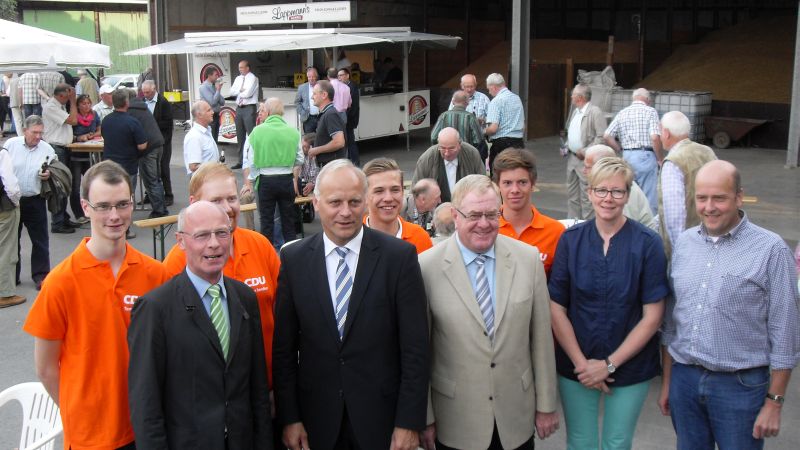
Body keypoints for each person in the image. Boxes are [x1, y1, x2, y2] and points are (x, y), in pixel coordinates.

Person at [273, 159, 429, 450]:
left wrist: (409, 423)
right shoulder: (294, 261)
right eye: (335, 202)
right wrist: (290, 418)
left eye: (355, 201)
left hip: (381, 421)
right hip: (316, 421)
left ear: (365, 201)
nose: (345, 212)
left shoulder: (399, 258)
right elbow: (284, 351)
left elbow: (415, 350)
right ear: (316, 203)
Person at [23, 160, 168, 450]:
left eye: (122, 204)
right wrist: (79, 410)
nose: (114, 215)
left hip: (147, 429)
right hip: (89, 436)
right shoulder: (61, 282)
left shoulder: (156, 274)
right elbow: (46, 368)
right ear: (85, 207)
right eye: (103, 206)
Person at [660, 160, 800, 450]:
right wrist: (668, 383)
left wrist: (775, 402)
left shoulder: (770, 249)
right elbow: (673, 322)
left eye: (719, 198)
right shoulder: (685, 243)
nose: (709, 207)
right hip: (684, 380)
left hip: (739, 388)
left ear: (739, 196)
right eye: (702, 198)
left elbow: (785, 330)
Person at [418, 174, 559, 450]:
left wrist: (546, 405)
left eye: (491, 214)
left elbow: (541, 340)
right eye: (473, 215)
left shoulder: (528, 259)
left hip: (515, 416)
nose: (484, 224)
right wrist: (425, 417)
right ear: (454, 215)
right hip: (455, 419)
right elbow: (420, 350)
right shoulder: (425, 267)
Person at [129, 201, 273, 449]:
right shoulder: (155, 308)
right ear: (181, 241)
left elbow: (257, 387)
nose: (214, 243)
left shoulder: (245, 298)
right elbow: (146, 403)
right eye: (202, 235)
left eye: (221, 233)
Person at [548, 157, 668, 450]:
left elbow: (653, 316)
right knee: (580, 441)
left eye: (617, 191)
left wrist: (609, 365)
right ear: (589, 193)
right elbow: (556, 307)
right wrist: (582, 364)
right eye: (601, 190)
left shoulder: (648, 244)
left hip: (630, 365)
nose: (608, 199)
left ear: (628, 195)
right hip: (577, 363)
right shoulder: (571, 241)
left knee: (617, 442)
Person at [161, 162, 281, 392]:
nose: (227, 208)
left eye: (232, 198)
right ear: (194, 203)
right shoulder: (177, 262)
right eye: (216, 201)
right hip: (209, 402)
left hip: (267, 390)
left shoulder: (260, 246)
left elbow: (284, 320)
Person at [493, 148, 565, 276]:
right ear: (498, 185)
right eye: (507, 183)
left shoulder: (556, 232)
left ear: (533, 184)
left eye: (522, 182)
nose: (515, 190)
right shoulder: (486, 228)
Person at [657, 110, 717, 260]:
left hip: (687, 249)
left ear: (666, 133)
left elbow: (674, 215)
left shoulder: (673, 162)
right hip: (711, 238)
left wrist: (679, 253)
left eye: (660, 130)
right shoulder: (707, 151)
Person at [7, 116, 56, 291]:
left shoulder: (47, 149)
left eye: (40, 133)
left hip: (35, 200)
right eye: (34, 132)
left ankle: (41, 276)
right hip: (12, 201)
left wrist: (49, 173)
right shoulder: (11, 145)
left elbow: (55, 169)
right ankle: (12, 276)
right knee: (12, 241)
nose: (38, 136)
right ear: (25, 130)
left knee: (40, 240)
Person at [248, 97, 302, 243]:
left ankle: (267, 257)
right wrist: (288, 164)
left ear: (269, 111)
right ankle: (291, 255)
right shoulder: (293, 131)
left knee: (267, 221)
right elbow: (300, 159)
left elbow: (251, 161)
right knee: (288, 221)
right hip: (286, 179)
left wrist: (252, 179)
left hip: (265, 180)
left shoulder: (257, 131)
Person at [604, 88, 662, 213]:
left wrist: (619, 149)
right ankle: (649, 226)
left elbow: (607, 135)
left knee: (629, 194)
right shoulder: (651, 111)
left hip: (627, 157)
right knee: (649, 196)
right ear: (647, 99)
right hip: (645, 155)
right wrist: (659, 158)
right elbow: (654, 137)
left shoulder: (622, 113)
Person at [100, 89, 148, 233]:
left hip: (109, 165)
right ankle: (124, 228)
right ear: (127, 102)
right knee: (126, 198)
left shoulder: (106, 120)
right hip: (128, 165)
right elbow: (142, 145)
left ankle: (110, 224)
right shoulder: (132, 122)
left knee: (110, 196)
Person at [362, 158, 433, 254]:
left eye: (395, 190)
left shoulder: (420, 237)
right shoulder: (352, 237)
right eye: (379, 191)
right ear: (364, 196)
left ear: (403, 192)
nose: (388, 198)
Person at [583, 145, 655, 230]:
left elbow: (624, 230)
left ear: (601, 166)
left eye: (587, 167)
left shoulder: (623, 189)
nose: (583, 171)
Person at [565, 84, 607, 220]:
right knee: (572, 195)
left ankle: (588, 224)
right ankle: (573, 224)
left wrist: (585, 151)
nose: (571, 97)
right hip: (572, 159)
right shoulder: (575, 111)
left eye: (573, 95)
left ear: (580, 98)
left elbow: (601, 137)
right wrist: (567, 145)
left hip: (585, 160)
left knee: (586, 196)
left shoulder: (595, 112)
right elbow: (572, 133)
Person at [42, 83, 80, 233]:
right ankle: (57, 222)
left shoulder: (59, 106)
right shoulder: (51, 107)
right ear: (62, 95)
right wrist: (73, 101)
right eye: (69, 95)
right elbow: (73, 120)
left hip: (64, 147)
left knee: (65, 185)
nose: (70, 97)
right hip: (56, 148)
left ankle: (63, 218)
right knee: (59, 186)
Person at [126, 89, 169, 218]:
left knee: (151, 180)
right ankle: (161, 207)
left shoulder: (130, 111)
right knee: (155, 179)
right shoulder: (142, 107)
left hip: (148, 147)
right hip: (158, 143)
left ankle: (159, 210)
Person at [412, 127, 484, 203]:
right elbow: (415, 193)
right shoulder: (426, 159)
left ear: (459, 145)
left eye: (451, 148)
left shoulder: (472, 155)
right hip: (434, 211)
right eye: (442, 148)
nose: (447, 153)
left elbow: (483, 184)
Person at [140, 80, 175, 206]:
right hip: (148, 141)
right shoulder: (142, 102)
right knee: (149, 169)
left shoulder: (163, 102)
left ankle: (168, 194)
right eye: (143, 92)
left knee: (163, 168)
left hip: (163, 141)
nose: (145, 94)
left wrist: (152, 124)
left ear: (154, 89)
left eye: (148, 92)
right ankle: (150, 194)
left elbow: (168, 123)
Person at [69, 94, 101, 224]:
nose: (86, 106)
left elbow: (100, 129)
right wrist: (79, 138)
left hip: (90, 154)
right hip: (76, 155)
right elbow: (69, 133)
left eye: (88, 103)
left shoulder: (94, 115)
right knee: (75, 186)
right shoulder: (74, 117)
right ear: (78, 105)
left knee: (92, 184)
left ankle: (94, 210)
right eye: (83, 103)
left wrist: (91, 135)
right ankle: (78, 213)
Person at [485, 73, 525, 172]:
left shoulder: (496, 101)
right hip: (519, 143)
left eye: (488, 89)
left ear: (493, 87)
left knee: (499, 176)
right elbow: (523, 124)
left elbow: (493, 128)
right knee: (517, 174)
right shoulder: (517, 98)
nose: (489, 92)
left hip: (501, 145)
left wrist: (482, 131)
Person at [0, 144, 24, 307]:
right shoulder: (2, 154)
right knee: (6, 249)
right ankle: (5, 294)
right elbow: (10, 184)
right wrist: (15, 202)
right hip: (4, 207)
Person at [307, 80, 346, 168]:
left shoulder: (330, 114)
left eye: (315, 94)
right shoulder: (327, 114)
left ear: (324, 95)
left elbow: (339, 142)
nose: (312, 97)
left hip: (332, 167)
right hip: (330, 166)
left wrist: (317, 150)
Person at [230, 60, 259, 169]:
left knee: (251, 135)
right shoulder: (238, 78)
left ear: (247, 68)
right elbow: (231, 91)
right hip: (239, 108)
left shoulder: (253, 78)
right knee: (240, 135)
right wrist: (240, 90)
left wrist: (239, 91)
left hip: (249, 108)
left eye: (242, 67)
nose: (240, 69)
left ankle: (254, 159)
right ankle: (240, 160)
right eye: (239, 68)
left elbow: (248, 94)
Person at [184, 100, 220, 175]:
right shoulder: (194, 137)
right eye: (208, 110)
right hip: (203, 182)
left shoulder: (207, 131)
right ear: (199, 115)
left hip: (211, 179)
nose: (212, 112)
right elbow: (193, 166)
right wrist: (216, 167)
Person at [337, 67, 360, 166]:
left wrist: (346, 119)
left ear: (347, 75)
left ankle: (356, 164)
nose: (339, 78)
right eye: (338, 76)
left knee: (350, 142)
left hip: (349, 120)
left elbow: (353, 106)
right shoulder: (342, 87)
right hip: (344, 119)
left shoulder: (352, 87)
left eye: (341, 75)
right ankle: (350, 162)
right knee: (346, 142)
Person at [199, 66, 226, 142]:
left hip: (216, 115)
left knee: (215, 138)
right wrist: (218, 90)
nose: (217, 77)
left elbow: (222, 102)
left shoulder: (214, 86)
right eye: (215, 75)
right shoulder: (203, 87)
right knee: (211, 138)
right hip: (209, 116)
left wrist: (218, 90)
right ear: (209, 76)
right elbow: (213, 102)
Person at [295, 67, 320, 134]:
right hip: (308, 118)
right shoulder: (302, 87)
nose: (311, 79)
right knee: (309, 139)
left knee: (321, 139)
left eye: (313, 77)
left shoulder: (321, 86)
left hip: (320, 117)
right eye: (309, 77)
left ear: (316, 77)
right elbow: (297, 102)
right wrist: (302, 112)